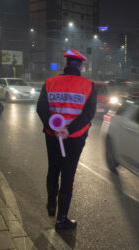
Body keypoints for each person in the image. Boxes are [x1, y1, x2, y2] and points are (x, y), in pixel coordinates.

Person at [37, 49, 97, 231]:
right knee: (68, 175)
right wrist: (68, 130)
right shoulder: (88, 85)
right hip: (75, 138)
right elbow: (88, 114)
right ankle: (61, 220)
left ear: (65, 64)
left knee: (53, 169)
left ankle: (51, 204)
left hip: (52, 135)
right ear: (80, 66)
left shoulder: (50, 82)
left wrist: (55, 128)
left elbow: (41, 108)